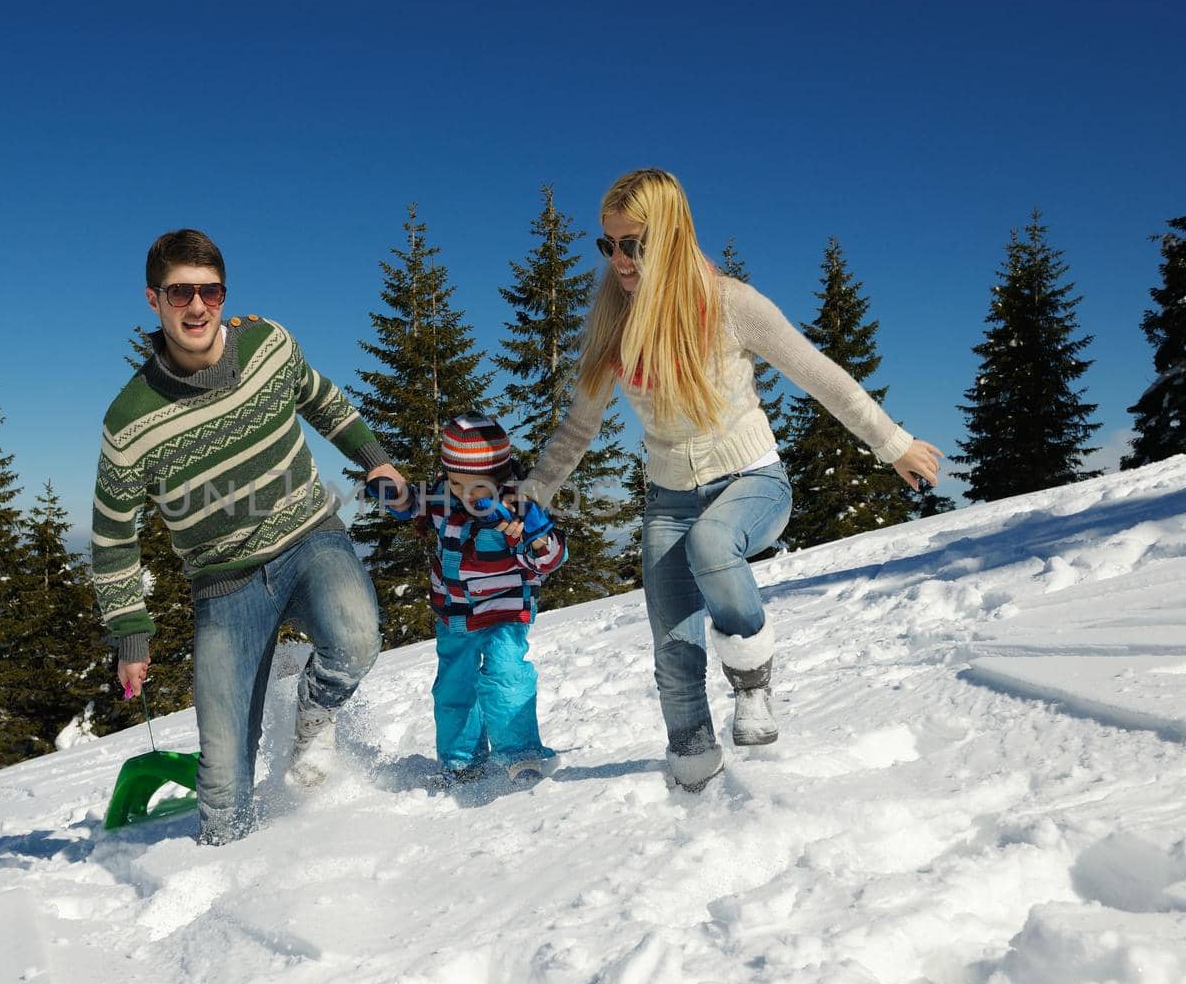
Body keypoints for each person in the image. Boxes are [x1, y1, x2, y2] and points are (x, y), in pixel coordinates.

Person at [517, 169, 943, 792]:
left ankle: (753, 681)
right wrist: (531, 496)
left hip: (754, 482)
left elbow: (820, 376)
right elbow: (577, 430)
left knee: (713, 545)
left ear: (670, 235)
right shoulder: (615, 323)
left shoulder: (730, 305)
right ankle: (694, 773)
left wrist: (894, 444)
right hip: (668, 500)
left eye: (633, 244)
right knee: (673, 648)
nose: (620, 261)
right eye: (607, 245)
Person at [92, 228, 407, 844]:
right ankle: (225, 882)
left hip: (310, 539)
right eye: (180, 292)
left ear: (225, 295)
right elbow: (112, 536)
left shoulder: (268, 344)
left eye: (209, 291)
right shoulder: (129, 420)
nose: (197, 306)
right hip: (224, 588)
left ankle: (314, 715)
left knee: (357, 638)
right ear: (153, 299)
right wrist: (131, 634)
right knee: (222, 790)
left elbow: (321, 399)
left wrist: (375, 459)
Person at [372, 413, 567, 785]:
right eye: (455, 483)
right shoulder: (443, 495)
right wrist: (391, 492)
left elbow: (550, 560)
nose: (464, 494)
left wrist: (535, 533)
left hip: (504, 610)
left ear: (499, 478)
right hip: (454, 612)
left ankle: (521, 753)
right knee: (454, 687)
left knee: (506, 677)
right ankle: (462, 760)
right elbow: (411, 503)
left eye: (476, 487)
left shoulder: (517, 506)